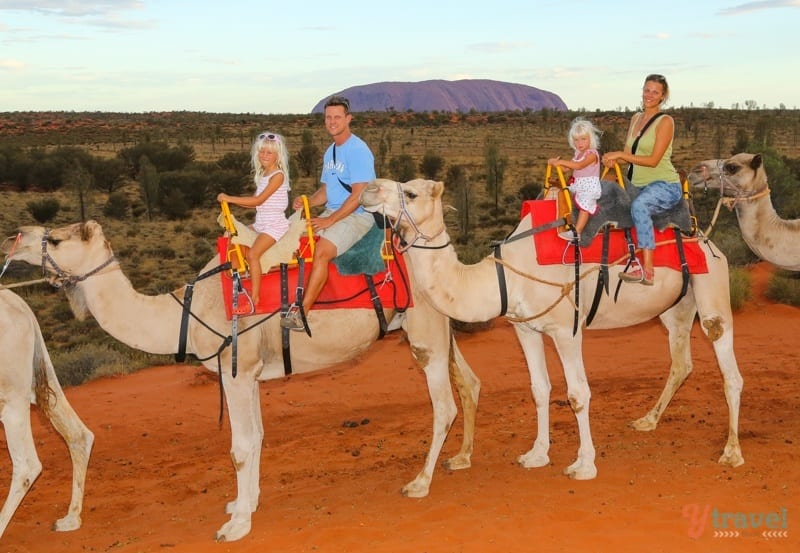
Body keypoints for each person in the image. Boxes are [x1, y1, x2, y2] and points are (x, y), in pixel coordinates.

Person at [280, 95, 376, 331]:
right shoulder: (331, 151)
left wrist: (329, 220)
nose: (332, 121)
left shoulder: (358, 150)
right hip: (333, 210)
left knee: (322, 251)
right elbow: (326, 190)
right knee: (286, 231)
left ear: (348, 119)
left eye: (337, 117)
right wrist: (307, 203)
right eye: (328, 117)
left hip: (358, 214)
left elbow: (358, 195)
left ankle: (301, 314)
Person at [602, 74, 681, 286]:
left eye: (655, 92)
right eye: (647, 90)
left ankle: (647, 270)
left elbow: (654, 160)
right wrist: (613, 161)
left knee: (639, 206)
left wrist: (620, 154)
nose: (649, 95)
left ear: (663, 97)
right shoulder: (636, 118)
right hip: (637, 183)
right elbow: (630, 153)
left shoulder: (666, 121)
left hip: (663, 185)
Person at [217, 131, 291, 313]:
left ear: (277, 155)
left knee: (253, 254)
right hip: (261, 223)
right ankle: (237, 280)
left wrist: (230, 198)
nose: (264, 155)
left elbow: (257, 201)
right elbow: (255, 204)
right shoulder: (265, 174)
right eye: (262, 151)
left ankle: (255, 298)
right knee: (231, 236)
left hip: (274, 225)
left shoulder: (277, 176)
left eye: (269, 152)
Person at [547, 117, 602, 242]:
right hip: (577, 184)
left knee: (585, 204)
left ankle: (577, 232)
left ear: (590, 139)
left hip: (589, 187)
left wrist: (561, 161)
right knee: (562, 193)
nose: (579, 143)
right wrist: (555, 163)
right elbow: (567, 169)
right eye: (576, 140)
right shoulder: (578, 154)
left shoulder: (592, 154)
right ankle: (561, 219)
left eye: (583, 139)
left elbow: (579, 166)